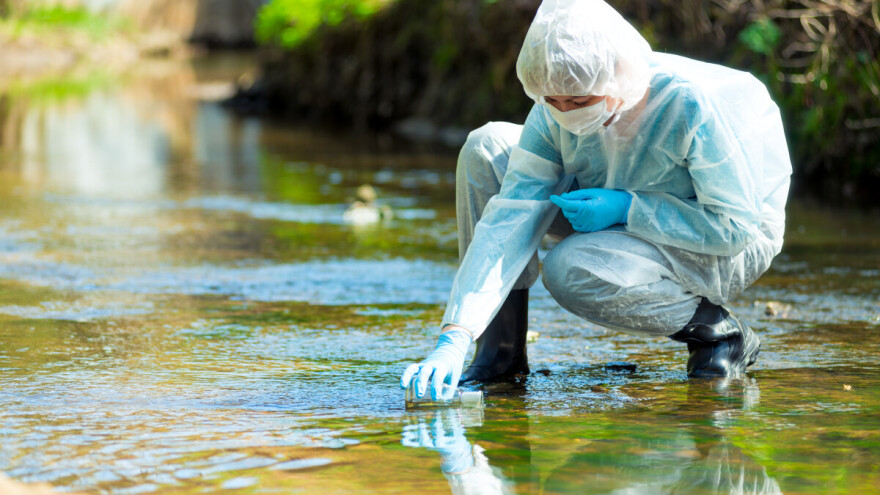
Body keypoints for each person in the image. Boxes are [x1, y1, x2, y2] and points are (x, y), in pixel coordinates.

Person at [401, 0, 791, 401]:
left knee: (568, 268)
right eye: (554, 102)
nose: (566, 114)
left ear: (616, 79)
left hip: (719, 236)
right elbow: (512, 214)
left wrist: (628, 207)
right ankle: (499, 354)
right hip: (607, 199)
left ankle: (717, 333)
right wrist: (456, 336)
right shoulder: (553, 107)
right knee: (486, 148)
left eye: (580, 102)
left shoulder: (688, 105)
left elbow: (735, 227)